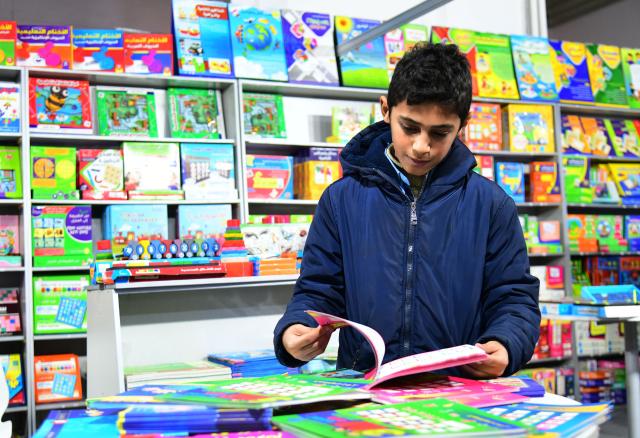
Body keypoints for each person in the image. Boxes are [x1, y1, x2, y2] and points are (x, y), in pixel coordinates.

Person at [273, 42, 541, 379]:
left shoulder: (491, 205)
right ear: (386, 110)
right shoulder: (341, 200)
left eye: (440, 133)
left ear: (463, 125)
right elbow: (318, 288)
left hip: (457, 391)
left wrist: (507, 342)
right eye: (410, 127)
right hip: (364, 388)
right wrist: (295, 328)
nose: (421, 146)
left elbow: (514, 297)